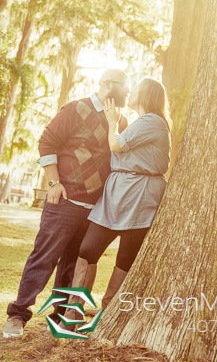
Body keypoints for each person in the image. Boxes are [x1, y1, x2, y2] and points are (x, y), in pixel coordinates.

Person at [2, 68, 130, 338]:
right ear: (107, 84)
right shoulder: (75, 109)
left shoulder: (121, 120)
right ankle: (18, 314)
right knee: (44, 257)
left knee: (73, 264)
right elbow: (47, 142)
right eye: (124, 88)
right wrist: (53, 182)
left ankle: (59, 318)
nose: (128, 93)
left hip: (96, 210)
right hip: (65, 201)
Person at [64, 76, 171, 315]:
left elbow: (116, 146)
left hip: (140, 193)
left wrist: (112, 122)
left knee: (125, 258)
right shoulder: (139, 122)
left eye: (135, 90)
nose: (129, 93)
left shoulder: (153, 121)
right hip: (116, 191)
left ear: (146, 95)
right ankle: (73, 311)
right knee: (88, 250)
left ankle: (109, 312)